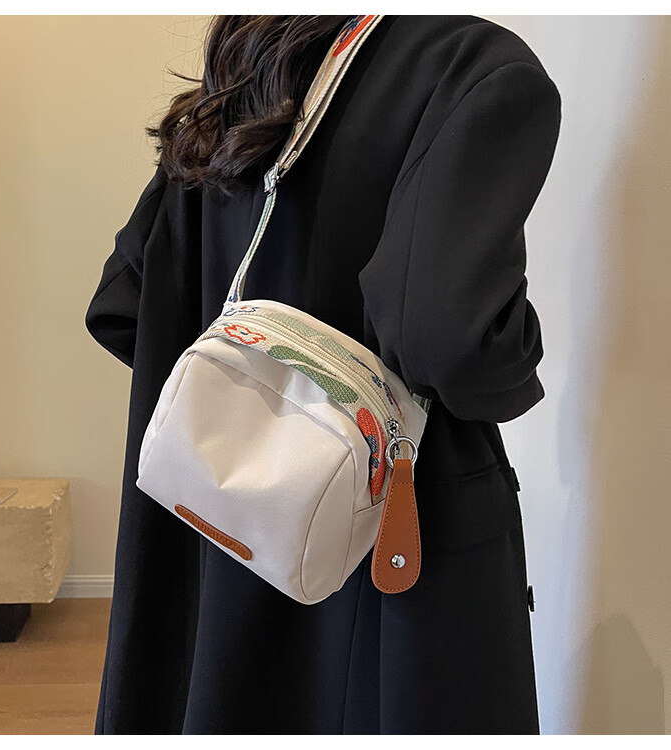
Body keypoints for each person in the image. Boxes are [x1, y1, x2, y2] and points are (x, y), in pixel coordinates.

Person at [86, 15, 562, 734]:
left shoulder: (247, 63)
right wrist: (520, 350)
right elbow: (451, 341)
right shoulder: (473, 66)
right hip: (391, 545)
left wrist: (251, 417)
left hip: (209, 535)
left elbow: (123, 303)